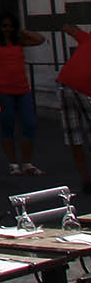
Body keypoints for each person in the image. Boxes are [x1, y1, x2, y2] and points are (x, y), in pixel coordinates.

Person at [0, 10, 43, 175]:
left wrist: (20, 31)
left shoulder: (18, 41)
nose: (8, 29)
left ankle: (27, 163)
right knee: (8, 125)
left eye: (11, 26)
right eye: (4, 26)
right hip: (1, 90)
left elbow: (40, 39)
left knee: (29, 123)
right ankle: (13, 164)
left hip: (22, 89)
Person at [57, 22, 91, 194]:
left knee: (74, 135)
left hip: (66, 85)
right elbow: (71, 30)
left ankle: (86, 179)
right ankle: (86, 179)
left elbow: (71, 30)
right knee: (74, 135)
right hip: (76, 87)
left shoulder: (87, 39)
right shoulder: (87, 39)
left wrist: (67, 27)